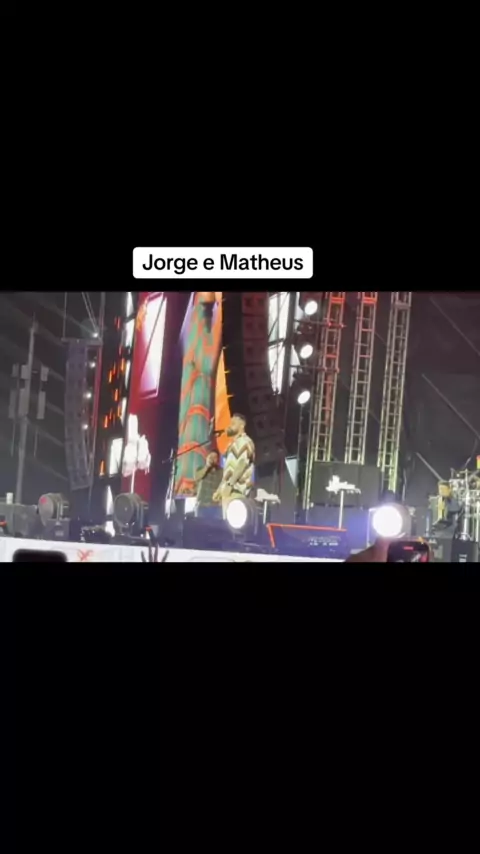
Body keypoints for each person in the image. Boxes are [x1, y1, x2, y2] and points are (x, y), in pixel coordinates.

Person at [213, 414, 255, 515]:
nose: (230, 426)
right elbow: (229, 471)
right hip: (229, 490)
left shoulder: (246, 441)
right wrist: (220, 489)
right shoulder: (233, 444)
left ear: (242, 425)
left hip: (237, 491)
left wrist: (230, 484)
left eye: (233, 423)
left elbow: (242, 464)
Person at [194, 451, 223, 519]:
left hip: (216, 507)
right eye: (211, 456)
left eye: (215, 457)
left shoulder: (221, 471)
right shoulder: (200, 468)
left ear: (218, 460)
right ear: (207, 458)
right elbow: (197, 478)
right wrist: (207, 466)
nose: (212, 459)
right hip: (202, 505)